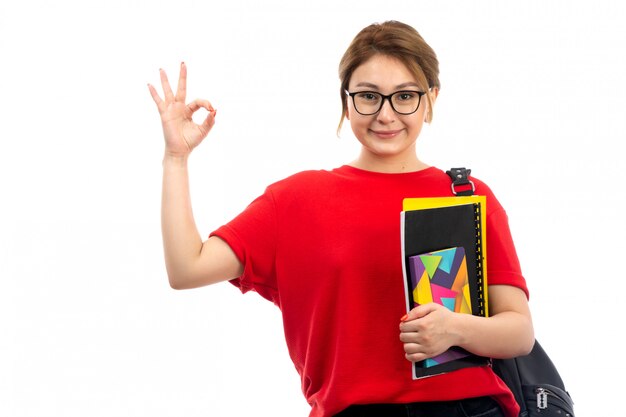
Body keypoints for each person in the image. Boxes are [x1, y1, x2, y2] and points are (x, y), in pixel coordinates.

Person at [148, 20, 534, 417]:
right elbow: (186, 269)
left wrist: (457, 329)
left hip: (467, 409)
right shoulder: (297, 200)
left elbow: (519, 332)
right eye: (369, 96)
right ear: (346, 101)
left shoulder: (466, 196)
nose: (386, 115)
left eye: (405, 96)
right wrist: (176, 158)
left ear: (431, 98)